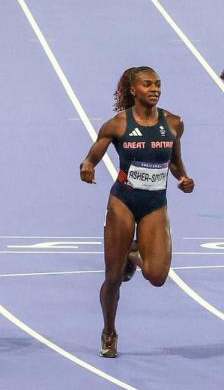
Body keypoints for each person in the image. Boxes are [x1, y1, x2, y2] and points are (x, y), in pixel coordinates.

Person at [79, 66, 193, 358]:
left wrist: (182, 178)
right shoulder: (117, 125)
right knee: (114, 276)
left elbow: (175, 160)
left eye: (157, 84)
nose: (154, 89)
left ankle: (133, 252)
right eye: (147, 85)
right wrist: (87, 167)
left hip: (155, 202)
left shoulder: (173, 123)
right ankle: (109, 331)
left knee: (157, 276)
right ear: (133, 90)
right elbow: (92, 157)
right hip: (123, 201)